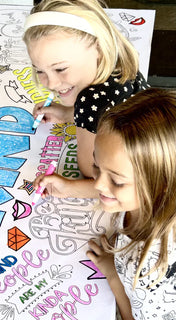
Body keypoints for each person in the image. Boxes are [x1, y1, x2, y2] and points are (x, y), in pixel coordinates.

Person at [23, 0, 149, 199]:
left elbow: (97, 178)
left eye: (60, 69)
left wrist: (69, 188)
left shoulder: (91, 102)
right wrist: (67, 114)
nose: (52, 83)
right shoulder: (118, 66)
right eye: (40, 70)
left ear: (97, 47)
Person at [86, 88, 176, 320]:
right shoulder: (143, 195)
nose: (98, 185)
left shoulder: (147, 268)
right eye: (96, 166)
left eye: (116, 181)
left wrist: (113, 274)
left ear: (161, 184)